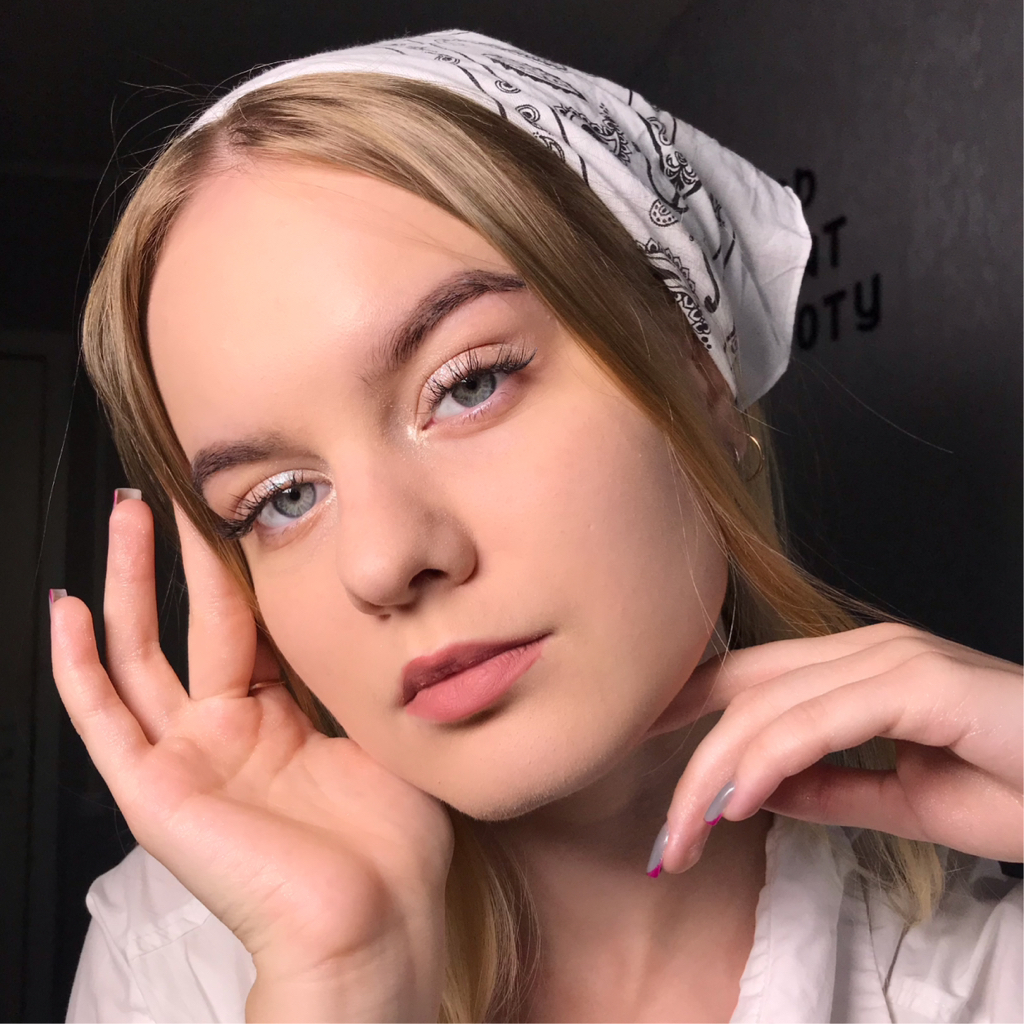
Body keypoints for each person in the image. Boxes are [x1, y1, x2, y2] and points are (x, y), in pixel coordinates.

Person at [49, 30, 1021, 1024]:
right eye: (282, 497)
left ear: (697, 373)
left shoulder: (985, 974)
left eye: (468, 384)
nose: (383, 561)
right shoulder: (176, 965)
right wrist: (344, 982)